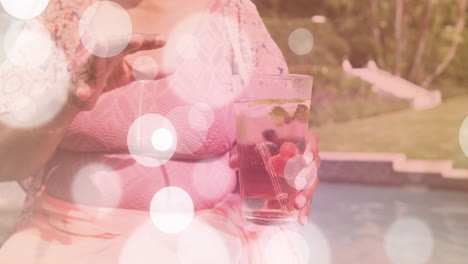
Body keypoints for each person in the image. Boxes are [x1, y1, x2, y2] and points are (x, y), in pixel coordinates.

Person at [0, 0, 320, 263]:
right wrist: (67, 100)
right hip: (64, 242)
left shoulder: (233, 14)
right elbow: (5, 162)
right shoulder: (58, 16)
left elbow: (275, 133)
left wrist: (297, 161)